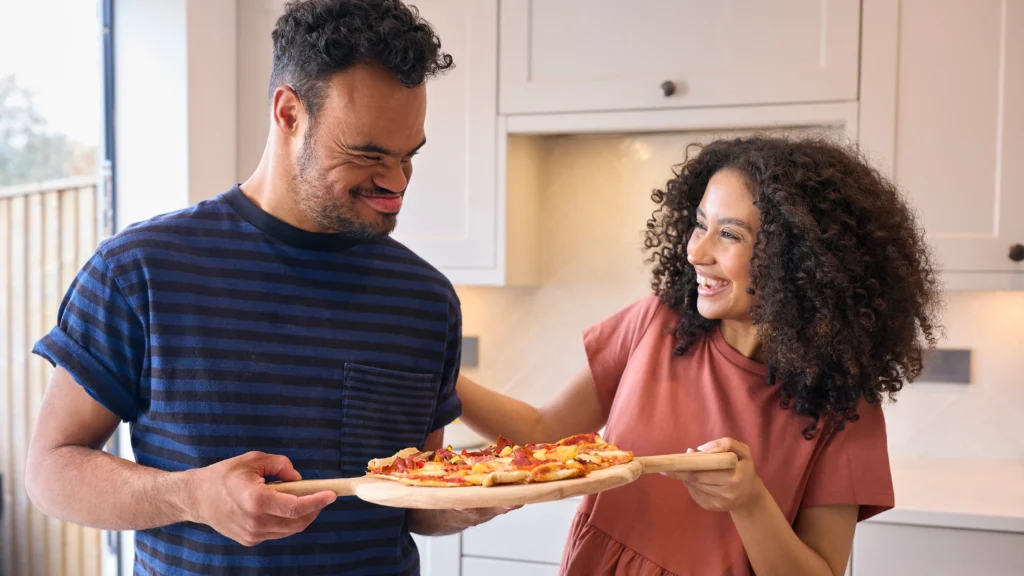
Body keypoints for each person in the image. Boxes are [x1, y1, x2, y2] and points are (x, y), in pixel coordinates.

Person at [25, 0, 513, 573]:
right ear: (288, 112)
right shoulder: (139, 270)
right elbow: (50, 471)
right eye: (368, 153)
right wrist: (190, 496)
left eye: (409, 156)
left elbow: (412, 507)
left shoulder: (426, 300)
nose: (396, 182)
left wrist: (469, 501)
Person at [457, 135, 942, 576]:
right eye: (699, 225)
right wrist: (440, 373)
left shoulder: (841, 404)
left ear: (801, 260)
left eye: (729, 235)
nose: (696, 252)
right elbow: (542, 433)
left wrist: (750, 502)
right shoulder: (656, 323)